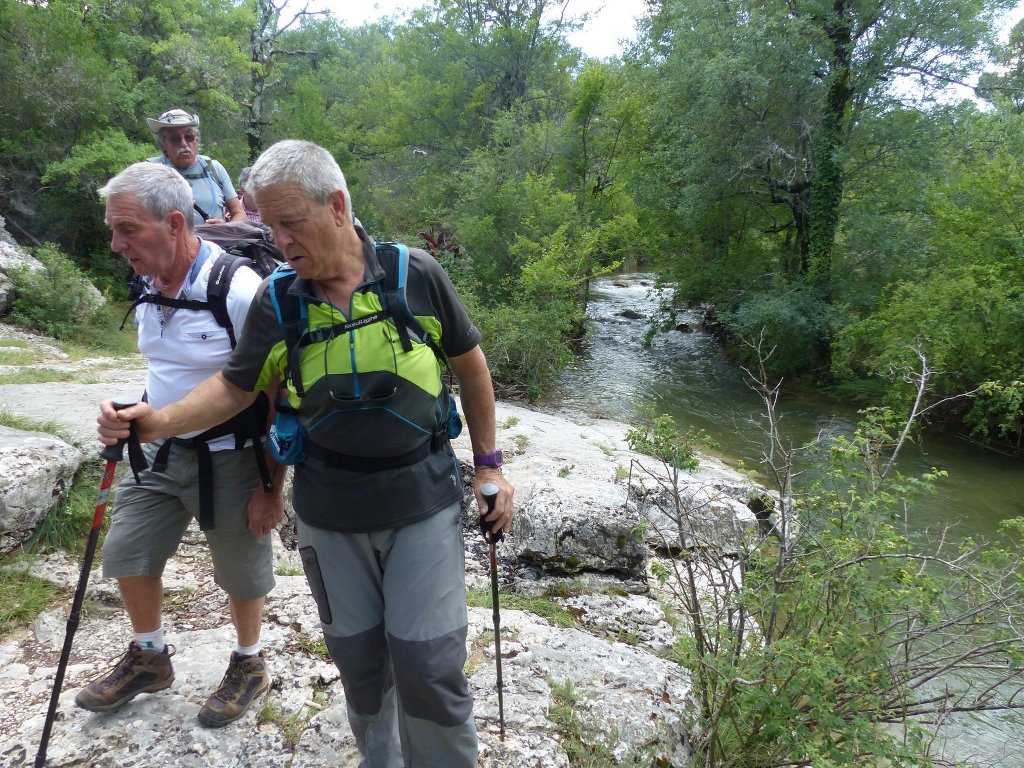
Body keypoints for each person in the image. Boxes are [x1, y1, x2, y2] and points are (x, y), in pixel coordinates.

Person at [97, 140, 515, 766]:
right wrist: (152, 424)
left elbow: (470, 364)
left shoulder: (415, 275)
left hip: (420, 499)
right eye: (271, 225)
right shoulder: (279, 299)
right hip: (330, 510)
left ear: (338, 205)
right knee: (360, 662)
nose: (283, 240)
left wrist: (489, 465)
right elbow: (234, 388)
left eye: (292, 222)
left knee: (428, 662)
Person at [77, 162, 284, 728]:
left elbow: (274, 390)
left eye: (127, 230)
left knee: (242, 571)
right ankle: (149, 656)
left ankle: (249, 662)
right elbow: (165, 367)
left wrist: (273, 486)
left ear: (172, 222)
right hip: (159, 453)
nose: (117, 245)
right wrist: (127, 415)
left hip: (234, 456)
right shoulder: (148, 280)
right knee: (129, 552)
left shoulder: (238, 289)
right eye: (112, 230)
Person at [146, 108, 245, 225]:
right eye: (175, 139)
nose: (183, 143)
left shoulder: (214, 168)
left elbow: (240, 214)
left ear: (196, 140)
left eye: (189, 137)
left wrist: (225, 228)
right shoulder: (151, 171)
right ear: (163, 144)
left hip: (216, 241)